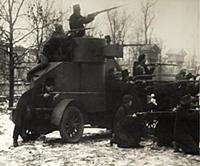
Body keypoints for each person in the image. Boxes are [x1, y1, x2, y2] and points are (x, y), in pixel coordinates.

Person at [12, 78, 57, 147]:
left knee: (28, 120)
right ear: (47, 86)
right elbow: (34, 97)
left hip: (29, 104)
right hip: (24, 103)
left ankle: (27, 135)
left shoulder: (44, 89)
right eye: (51, 88)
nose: (51, 89)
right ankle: (15, 139)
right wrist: (43, 96)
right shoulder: (38, 88)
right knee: (20, 120)